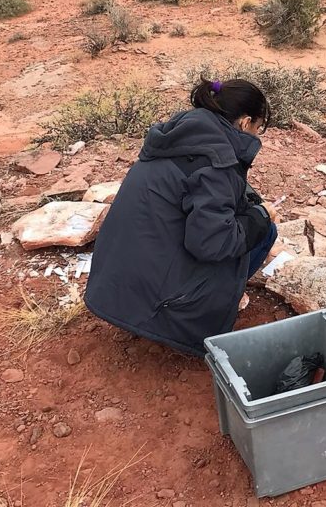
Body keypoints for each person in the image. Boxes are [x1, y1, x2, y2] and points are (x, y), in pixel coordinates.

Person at [84, 78, 279, 356]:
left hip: (114, 287)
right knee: (263, 232)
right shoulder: (217, 162)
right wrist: (261, 216)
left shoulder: (179, 138)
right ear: (245, 123)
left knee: (245, 219)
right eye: (258, 128)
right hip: (159, 304)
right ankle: (205, 306)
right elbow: (212, 242)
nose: (256, 136)